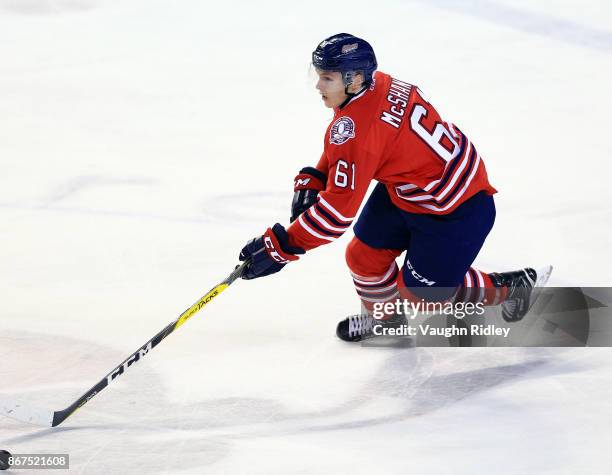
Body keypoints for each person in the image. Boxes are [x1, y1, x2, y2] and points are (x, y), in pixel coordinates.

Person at [238, 33, 550, 342]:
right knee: (363, 257)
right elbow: (354, 142)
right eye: (318, 75)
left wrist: (283, 247)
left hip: (457, 207)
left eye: (327, 78)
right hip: (412, 187)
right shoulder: (378, 83)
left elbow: (336, 214)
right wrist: (319, 174)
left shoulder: (361, 130)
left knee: (424, 296)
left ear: (355, 79)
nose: (318, 86)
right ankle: (388, 321)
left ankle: (511, 287)